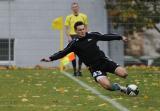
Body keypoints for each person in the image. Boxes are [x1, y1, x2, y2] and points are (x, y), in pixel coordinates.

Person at [41, 21, 128, 94]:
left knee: (124, 74)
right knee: (108, 86)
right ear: (76, 31)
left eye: (83, 29)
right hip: (94, 68)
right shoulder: (74, 43)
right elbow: (63, 52)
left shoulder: (92, 35)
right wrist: (51, 58)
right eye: (80, 30)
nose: (82, 31)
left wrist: (120, 37)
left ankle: (127, 86)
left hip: (104, 61)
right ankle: (119, 87)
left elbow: (105, 36)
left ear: (85, 29)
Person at [64, 2, 88, 76]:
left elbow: (86, 27)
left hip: (81, 36)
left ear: (78, 8)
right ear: (72, 8)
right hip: (72, 36)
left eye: (76, 7)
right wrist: (68, 37)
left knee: (81, 54)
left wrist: (85, 36)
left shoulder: (84, 16)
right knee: (72, 54)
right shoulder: (69, 17)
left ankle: (79, 70)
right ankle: (74, 71)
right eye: (73, 7)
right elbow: (66, 28)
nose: (75, 8)